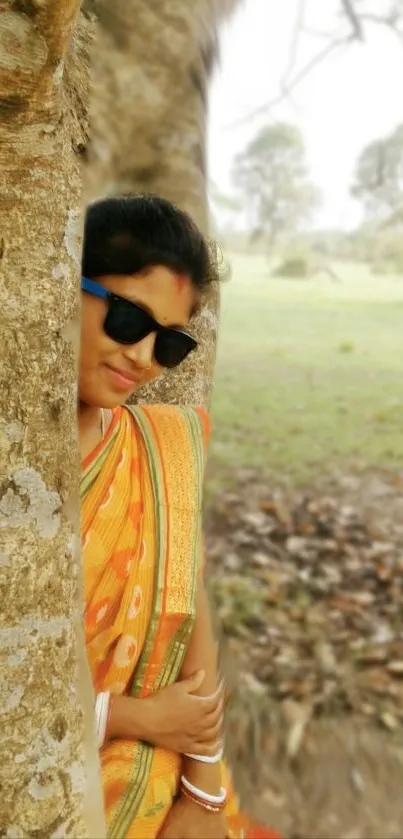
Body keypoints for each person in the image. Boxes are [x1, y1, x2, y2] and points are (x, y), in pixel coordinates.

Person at [80, 194, 281, 839]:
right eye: (127, 319)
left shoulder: (162, 445)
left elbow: (190, 608)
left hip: (165, 777)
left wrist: (203, 792)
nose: (142, 358)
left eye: (166, 343)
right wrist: (131, 718)